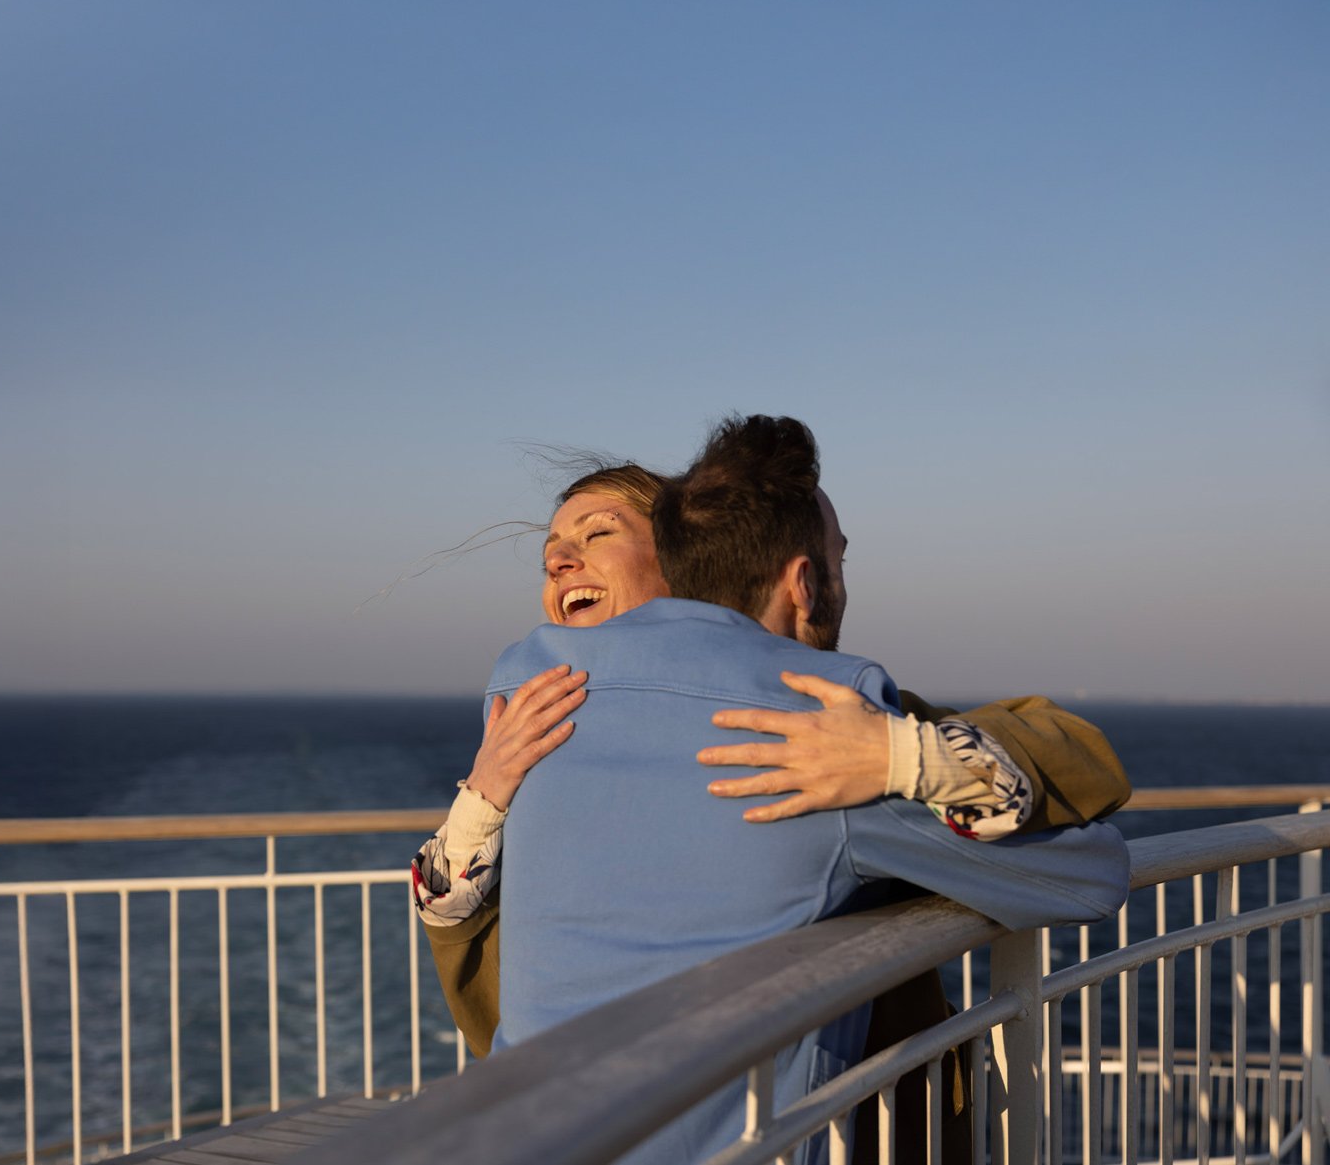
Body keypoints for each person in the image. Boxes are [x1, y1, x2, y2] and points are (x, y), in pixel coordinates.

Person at [457, 416, 1130, 1164]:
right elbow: (1091, 875)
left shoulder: (527, 690)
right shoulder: (819, 725)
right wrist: (903, 758)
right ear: (804, 582)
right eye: (839, 559)